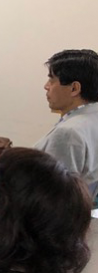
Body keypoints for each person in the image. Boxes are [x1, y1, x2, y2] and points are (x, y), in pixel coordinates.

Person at [34, 48, 98, 197]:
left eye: (52, 80)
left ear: (74, 88)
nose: (46, 86)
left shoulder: (69, 132)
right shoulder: (91, 119)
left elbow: (55, 196)